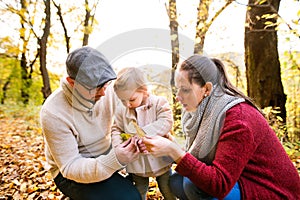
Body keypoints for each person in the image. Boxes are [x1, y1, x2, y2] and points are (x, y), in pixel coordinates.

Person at [138, 55, 300, 200]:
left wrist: (174, 151)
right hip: (242, 179)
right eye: (177, 89)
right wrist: (170, 147)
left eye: (185, 90)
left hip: (273, 192)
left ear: (207, 89)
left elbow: (219, 184)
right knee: (178, 181)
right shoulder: (204, 111)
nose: (178, 97)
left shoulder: (238, 119)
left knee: (193, 186)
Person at [40, 46, 142, 200]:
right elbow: (70, 167)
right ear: (72, 82)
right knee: (130, 198)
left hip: (105, 157)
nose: (103, 92)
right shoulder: (53, 112)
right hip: (70, 174)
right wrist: (116, 160)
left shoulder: (107, 90)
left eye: (105, 84)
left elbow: (134, 111)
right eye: (95, 88)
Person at [111, 67, 176, 200]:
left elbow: (166, 121)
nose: (127, 104)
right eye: (123, 100)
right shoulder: (121, 110)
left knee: (168, 189)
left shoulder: (159, 103)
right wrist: (118, 146)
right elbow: (116, 129)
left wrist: (143, 134)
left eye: (131, 99)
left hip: (161, 160)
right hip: (137, 164)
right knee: (139, 192)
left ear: (144, 90)